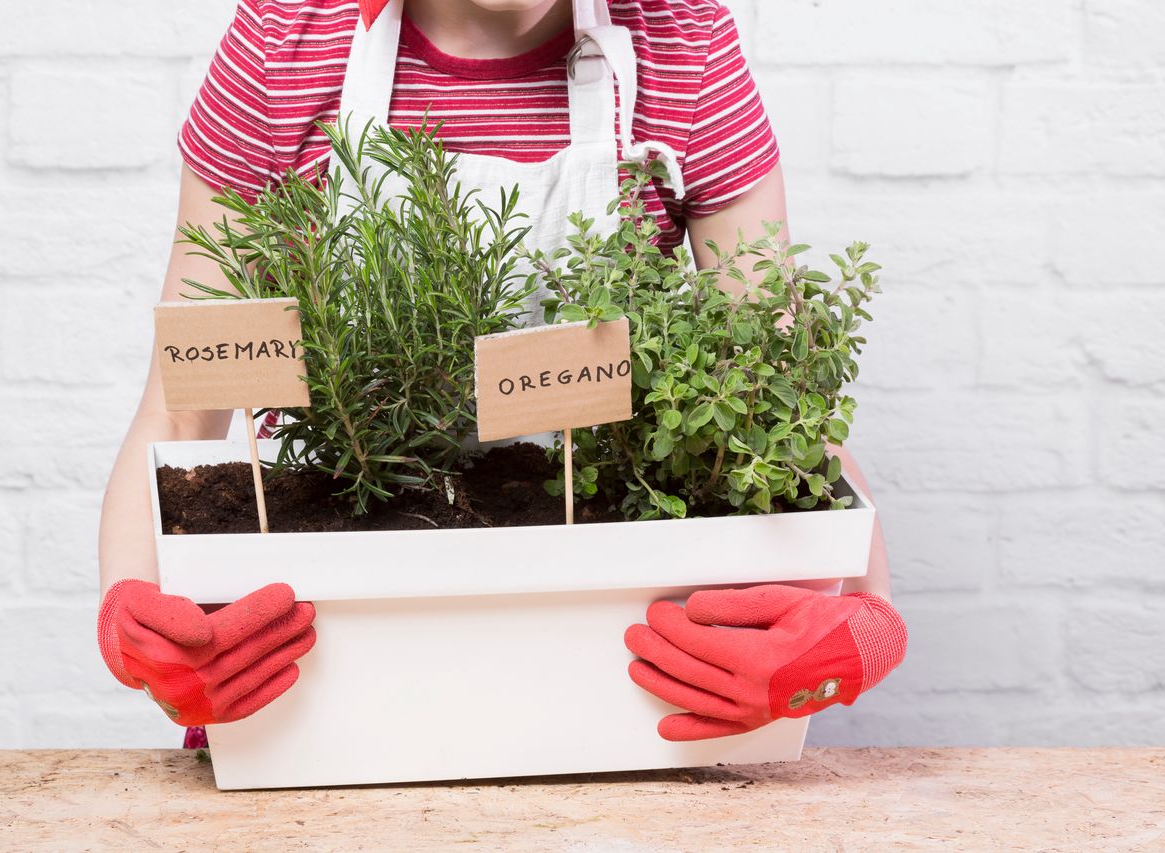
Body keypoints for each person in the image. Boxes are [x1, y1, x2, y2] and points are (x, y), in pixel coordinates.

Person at [97, 0, 905, 748]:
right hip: (316, 684)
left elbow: (785, 409)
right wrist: (140, 623)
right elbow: (181, 413)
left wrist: (865, 621)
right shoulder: (289, 42)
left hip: (607, 678)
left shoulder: (678, 43)